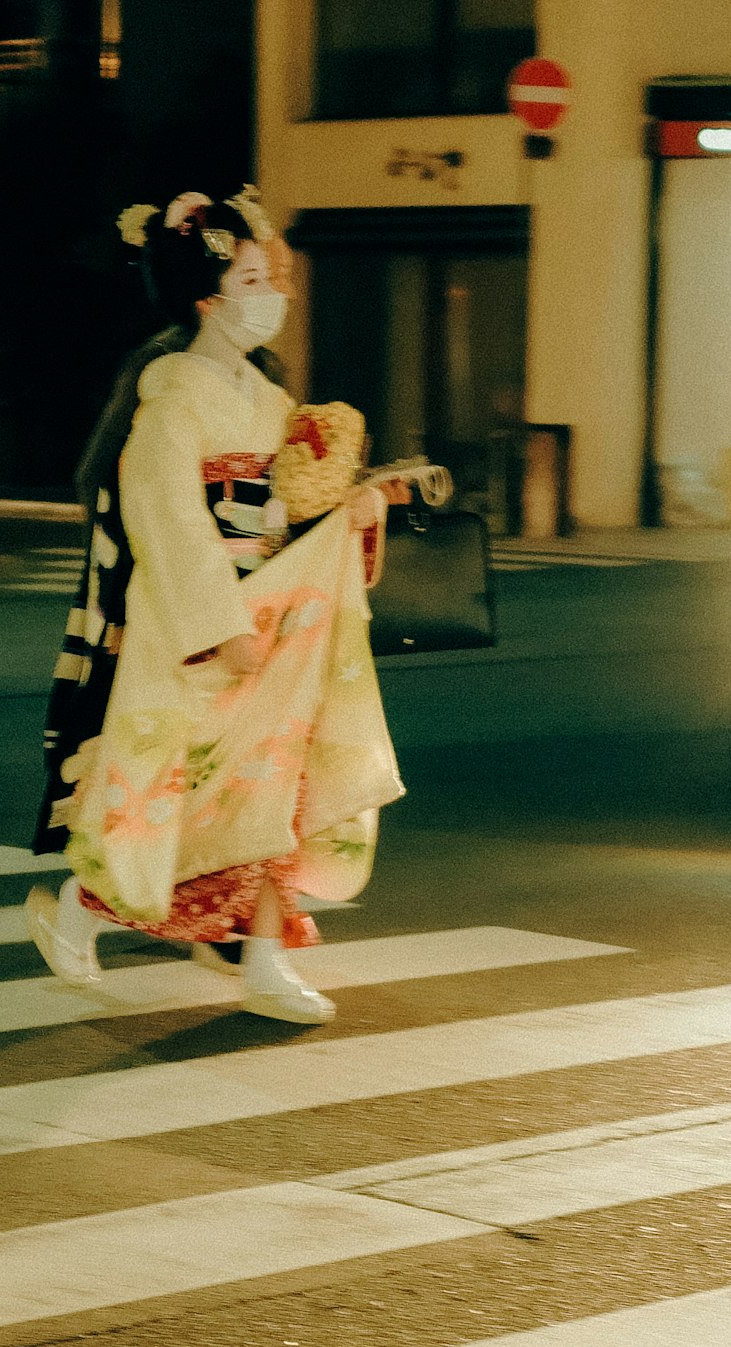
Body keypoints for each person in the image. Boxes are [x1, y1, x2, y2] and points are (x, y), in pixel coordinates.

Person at [25, 185, 438, 1032]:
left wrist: (349, 511)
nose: (273, 296)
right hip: (201, 629)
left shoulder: (267, 399)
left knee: (268, 793)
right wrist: (219, 625)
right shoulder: (172, 395)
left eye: (273, 278)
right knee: (176, 801)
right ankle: (77, 906)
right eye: (255, 279)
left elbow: (286, 512)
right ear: (208, 296)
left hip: (271, 616)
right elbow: (168, 520)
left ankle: (265, 963)